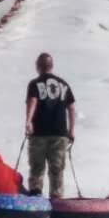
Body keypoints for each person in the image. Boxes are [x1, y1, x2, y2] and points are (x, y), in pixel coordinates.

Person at [24, 52, 76, 199]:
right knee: (57, 167)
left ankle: (35, 195)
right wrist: (71, 130)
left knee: (37, 166)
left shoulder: (34, 84)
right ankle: (56, 197)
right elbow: (71, 108)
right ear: (51, 66)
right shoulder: (63, 84)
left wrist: (28, 121)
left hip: (39, 132)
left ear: (38, 67)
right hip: (60, 133)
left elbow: (32, 101)